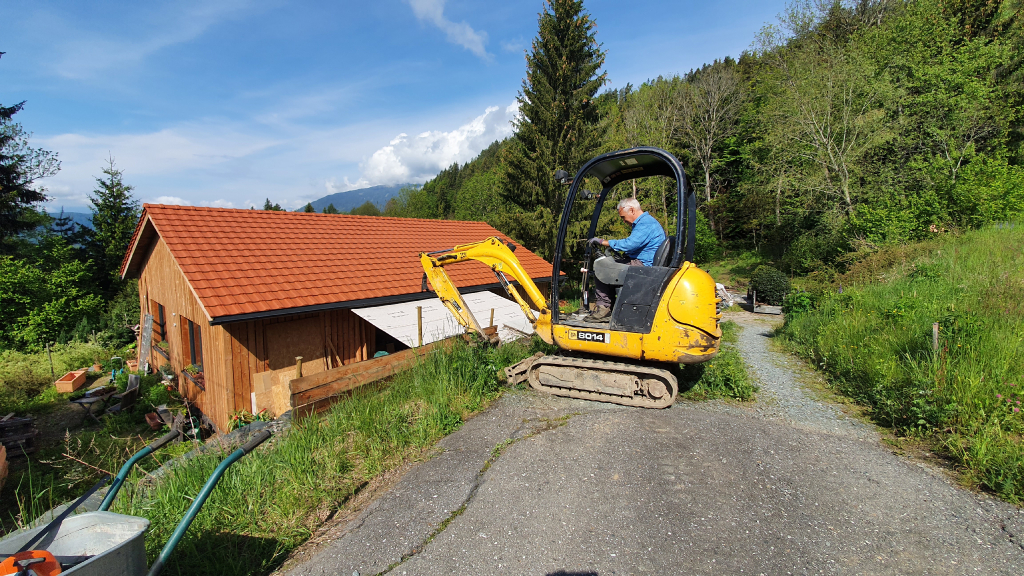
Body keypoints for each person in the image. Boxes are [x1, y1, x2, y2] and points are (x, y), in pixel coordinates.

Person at [584, 197, 666, 322]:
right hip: (645, 263)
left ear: (632, 210)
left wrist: (603, 242)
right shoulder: (647, 223)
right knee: (610, 266)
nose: (623, 221)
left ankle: (604, 310)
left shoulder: (646, 224)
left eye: (623, 217)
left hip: (643, 266)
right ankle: (614, 308)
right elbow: (637, 247)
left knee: (601, 268)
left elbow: (630, 244)